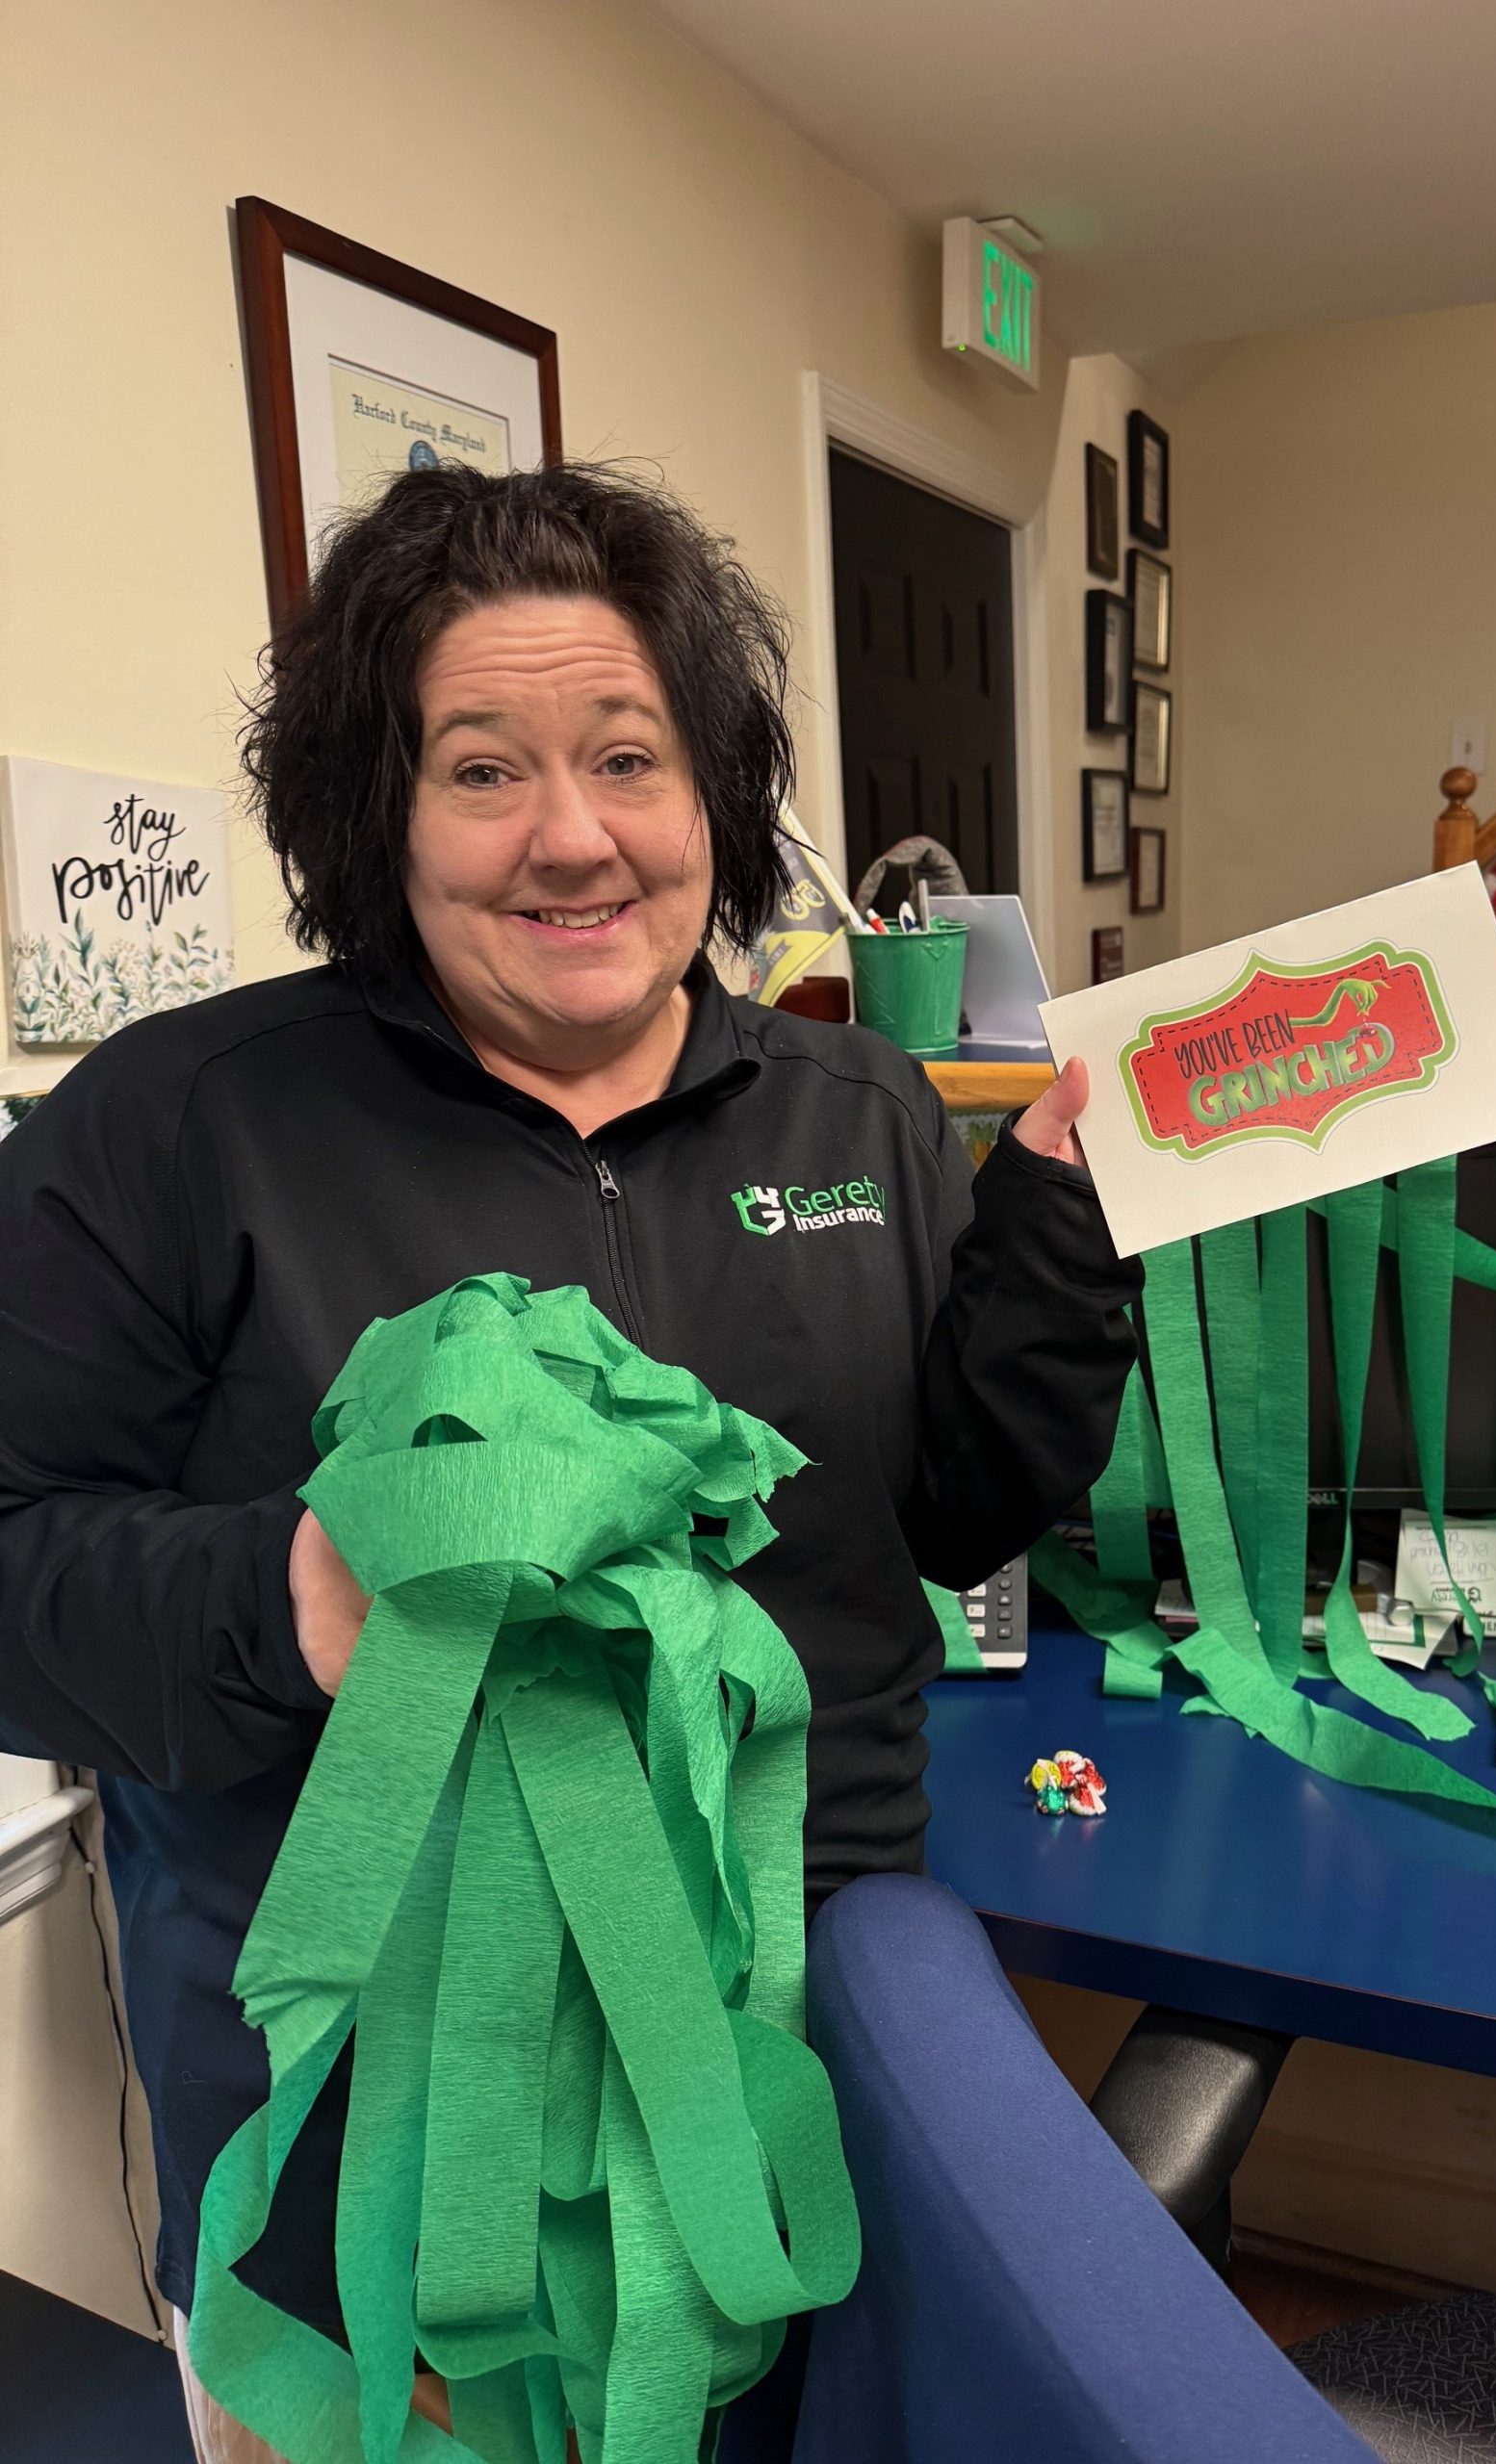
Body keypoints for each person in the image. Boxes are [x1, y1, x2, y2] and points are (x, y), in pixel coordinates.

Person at [0, 462, 1141, 2454]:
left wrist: (1057, 1228)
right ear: (378, 812)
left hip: (779, 2106)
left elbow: (946, 1513)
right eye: (482, 770)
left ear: (715, 794)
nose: (574, 835)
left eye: (630, 757)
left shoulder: (862, 1111)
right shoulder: (181, 1124)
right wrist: (295, 1598)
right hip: (371, 2186)